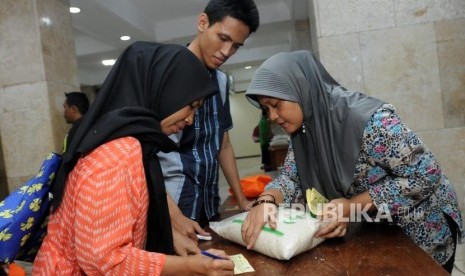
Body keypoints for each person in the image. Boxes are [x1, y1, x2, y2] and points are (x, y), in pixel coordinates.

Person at [241, 50, 464, 273]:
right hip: (379, 229)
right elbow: (291, 177)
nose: (271, 117)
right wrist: (266, 201)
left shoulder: (366, 121)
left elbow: (425, 173)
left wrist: (351, 206)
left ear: (300, 88)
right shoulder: (305, 129)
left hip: (423, 225)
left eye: (276, 104)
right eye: (265, 109)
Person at [32, 41, 234, 275]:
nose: (190, 120)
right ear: (163, 91)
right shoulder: (119, 154)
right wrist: (191, 268)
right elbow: (103, 261)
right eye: (190, 106)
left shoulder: (134, 141)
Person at [157, 0, 260, 250]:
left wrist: (242, 199)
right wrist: (173, 217)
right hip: (171, 207)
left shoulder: (221, 81)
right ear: (203, 22)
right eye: (222, 38)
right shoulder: (166, 72)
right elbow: (145, 155)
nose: (226, 51)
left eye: (236, 45)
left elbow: (222, 143)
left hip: (208, 202)